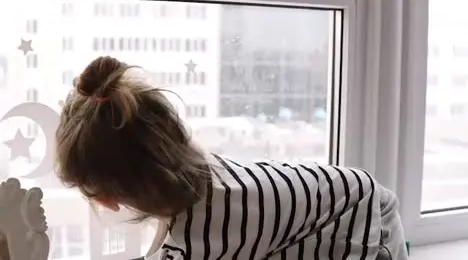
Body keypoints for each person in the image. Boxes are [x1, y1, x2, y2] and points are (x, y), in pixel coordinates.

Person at [55, 56, 408, 260]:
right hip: (337, 200)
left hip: (363, 219)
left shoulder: (205, 231)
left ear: (107, 196)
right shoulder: (204, 178)